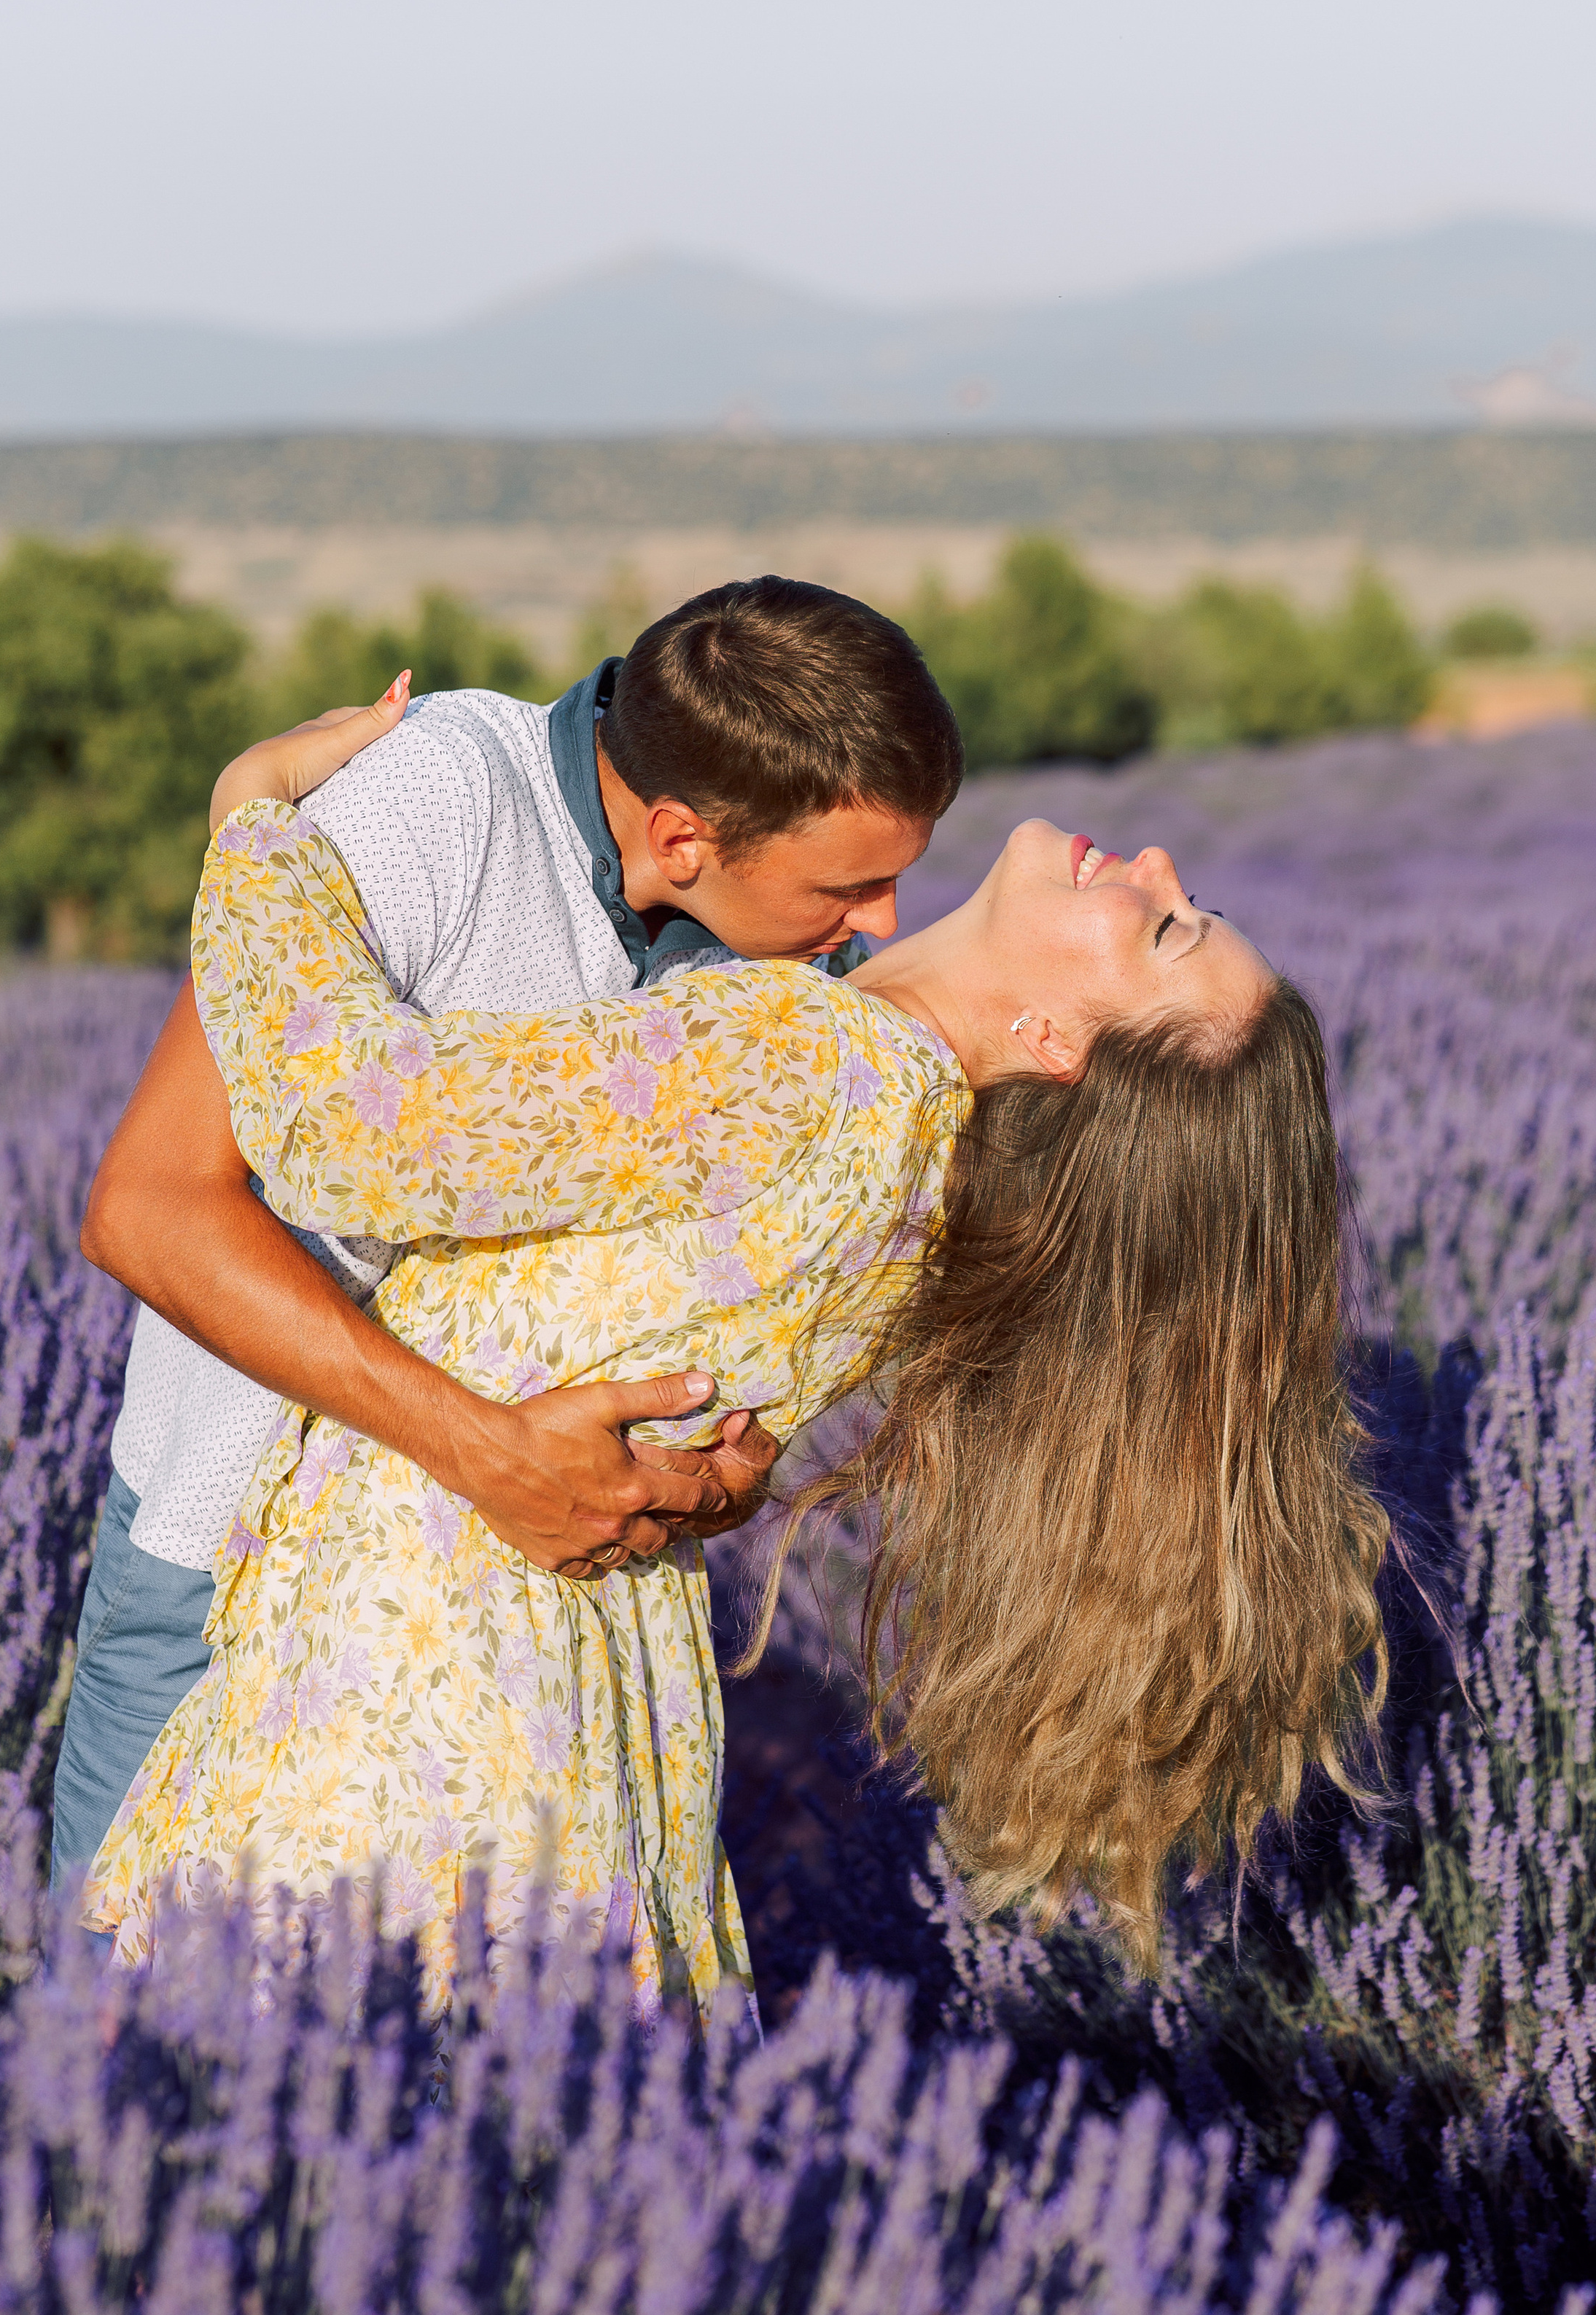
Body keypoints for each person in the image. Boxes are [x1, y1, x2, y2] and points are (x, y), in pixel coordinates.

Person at [83, 779, 1389, 2012]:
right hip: (592, 1708)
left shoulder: (808, 1063)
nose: (1155, 865)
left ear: (1055, 1041)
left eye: (1166, 928)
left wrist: (255, 826)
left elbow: (354, 1126)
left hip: (401, 1689)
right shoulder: (929, 1183)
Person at [55, 580, 965, 1890]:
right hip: (230, 1548)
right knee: (141, 1988)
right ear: (682, 836)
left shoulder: (777, 954)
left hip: (523, 1615)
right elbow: (149, 1209)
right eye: (854, 884)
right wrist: (485, 1450)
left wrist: (715, 1468)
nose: (881, 924)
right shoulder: (436, 800)